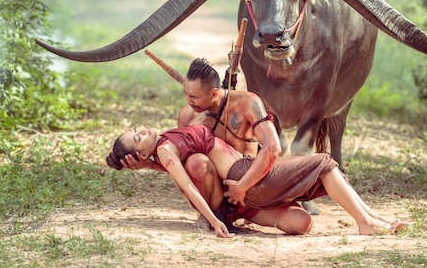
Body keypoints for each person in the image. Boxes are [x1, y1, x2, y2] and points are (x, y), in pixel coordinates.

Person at [106, 124, 403, 238]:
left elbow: (174, 169)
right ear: (142, 152)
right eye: (137, 137)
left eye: (137, 129)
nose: (143, 130)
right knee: (324, 162)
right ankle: (367, 222)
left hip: (247, 178)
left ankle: (372, 218)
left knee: (303, 221)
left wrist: (146, 164)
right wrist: (214, 220)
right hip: (246, 179)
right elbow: (187, 186)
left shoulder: (163, 148)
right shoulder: (165, 150)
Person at [121, 58, 311, 234]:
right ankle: (210, 215)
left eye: (194, 96)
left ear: (213, 92)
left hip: (249, 189)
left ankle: (251, 212)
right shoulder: (188, 116)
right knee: (196, 161)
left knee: (302, 223)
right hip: (217, 199)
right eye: (186, 95)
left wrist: (243, 188)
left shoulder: (247, 102)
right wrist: (150, 164)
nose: (189, 102)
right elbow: (184, 169)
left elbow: (273, 148)